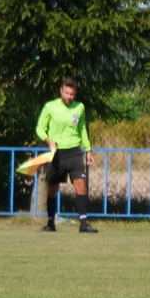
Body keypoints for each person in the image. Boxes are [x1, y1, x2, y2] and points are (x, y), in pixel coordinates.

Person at [36, 77, 96, 233]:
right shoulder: (50, 106)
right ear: (61, 91)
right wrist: (48, 141)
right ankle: (50, 223)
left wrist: (88, 150)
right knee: (52, 188)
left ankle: (84, 224)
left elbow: (81, 128)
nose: (69, 97)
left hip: (75, 152)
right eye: (67, 93)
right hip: (57, 154)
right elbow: (40, 128)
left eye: (72, 94)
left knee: (81, 185)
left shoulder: (79, 107)